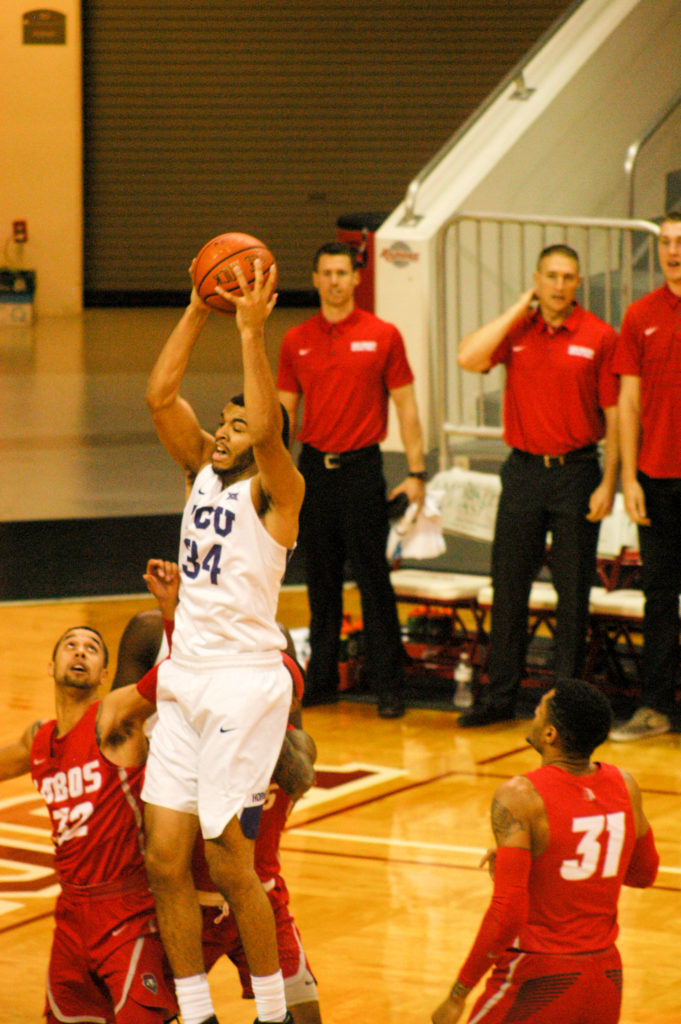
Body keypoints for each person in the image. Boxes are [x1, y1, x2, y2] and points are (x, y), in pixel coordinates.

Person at [143, 256, 305, 1024]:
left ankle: (271, 1013)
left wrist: (251, 332)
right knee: (163, 857)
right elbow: (160, 395)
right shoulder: (200, 472)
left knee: (227, 858)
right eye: (225, 419)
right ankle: (197, 1012)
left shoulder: (279, 491)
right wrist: (198, 307)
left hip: (244, 681)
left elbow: (271, 427)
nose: (225, 430)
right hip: (186, 674)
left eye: (237, 425)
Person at [113, 610, 323, 1024]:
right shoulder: (156, 642)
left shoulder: (286, 725)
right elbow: (117, 727)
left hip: (258, 891)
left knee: (307, 1017)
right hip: (183, 902)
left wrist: (252, 719)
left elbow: (300, 777)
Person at [0, 560, 180, 1024]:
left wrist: (171, 609)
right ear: (51, 664)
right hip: (70, 917)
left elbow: (176, 677)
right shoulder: (37, 741)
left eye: (92, 648)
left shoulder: (114, 718)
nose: (80, 652)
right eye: (70, 646)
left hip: (128, 911)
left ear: (104, 674)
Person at [431, 678, 659, 1024]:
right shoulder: (625, 785)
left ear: (550, 734)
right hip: (605, 976)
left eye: (538, 712)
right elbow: (644, 874)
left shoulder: (520, 796)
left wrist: (457, 994)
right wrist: (549, 855)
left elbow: (507, 911)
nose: (533, 717)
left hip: (537, 976)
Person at [456, 244, 619, 726]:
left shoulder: (599, 336)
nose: (559, 285)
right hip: (523, 471)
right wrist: (515, 309)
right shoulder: (517, 331)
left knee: (573, 595)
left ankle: (566, 707)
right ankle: (500, 697)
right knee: (508, 588)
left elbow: (615, 414)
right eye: (550, 276)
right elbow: (469, 356)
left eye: (569, 277)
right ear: (536, 280)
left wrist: (609, 481)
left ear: (578, 283)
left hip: (578, 472)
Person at [276, 240, 428, 719]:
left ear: (357, 278)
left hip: (363, 470)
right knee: (320, 583)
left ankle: (389, 686)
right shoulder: (295, 339)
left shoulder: (383, 335)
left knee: (373, 581)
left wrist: (418, 472)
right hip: (314, 471)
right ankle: (320, 682)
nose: (335, 281)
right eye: (327, 273)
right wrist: (272, 477)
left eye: (343, 272)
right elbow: (284, 413)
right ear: (316, 278)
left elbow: (406, 407)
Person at [610, 211, 681, 741]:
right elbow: (628, 402)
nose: (673, 250)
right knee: (659, 595)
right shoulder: (640, 315)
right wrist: (631, 479)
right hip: (656, 477)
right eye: (666, 242)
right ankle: (654, 706)